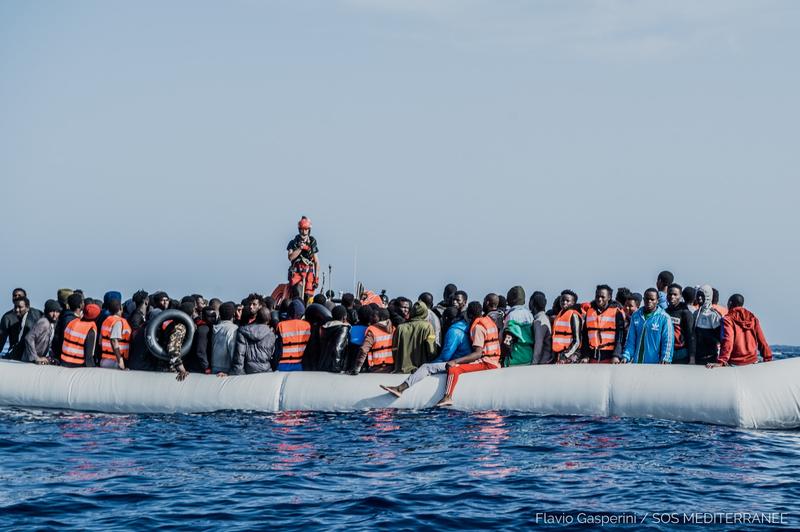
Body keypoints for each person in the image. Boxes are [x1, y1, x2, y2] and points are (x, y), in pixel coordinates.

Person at [380, 307, 472, 397]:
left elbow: (445, 356)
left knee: (426, 367)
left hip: (456, 363)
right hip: (463, 362)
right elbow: (432, 348)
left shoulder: (454, 331)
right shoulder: (462, 328)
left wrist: (431, 364)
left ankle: (400, 389)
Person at [435, 302, 501, 407]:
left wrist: (455, 361)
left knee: (454, 369)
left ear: (469, 315)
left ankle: (447, 397)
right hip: (495, 361)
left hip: (486, 363)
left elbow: (478, 354)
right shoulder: (490, 322)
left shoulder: (478, 327)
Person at [708, 294, 772, 367]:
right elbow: (762, 340)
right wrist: (768, 358)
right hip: (753, 362)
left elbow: (728, 340)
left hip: (735, 363)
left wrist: (722, 361)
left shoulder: (727, 319)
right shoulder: (753, 318)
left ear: (730, 303)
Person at [622, 289, 673, 364]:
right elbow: (630, 339)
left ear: (657, 301)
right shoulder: (636, 316)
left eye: (652, 299)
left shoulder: (664, 318)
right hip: (637, 362)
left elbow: (668, 340)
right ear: (643, 299)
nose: (649, 301)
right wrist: (626, 356)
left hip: (656, 363)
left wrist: (666, 357)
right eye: (647, 299)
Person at [580, 285, 625, 364]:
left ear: (609, 297)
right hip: (592, 357)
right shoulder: (590, 312)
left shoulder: (617, 312)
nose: (599, 299)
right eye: (597, 296)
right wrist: (585, 355)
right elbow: (585, 337)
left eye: (602, 297)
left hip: (610, 358)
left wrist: (616, 355)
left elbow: (620, 337)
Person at [393, 301, 436, 374]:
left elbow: (394, 350)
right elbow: (431, 350)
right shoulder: (428, 327)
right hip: (420, 371)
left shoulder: (400, 328)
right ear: (425, 312)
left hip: (400, 371)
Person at [232, 307, 276, 374]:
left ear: (256, 318)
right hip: (266, 370)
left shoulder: (243, 331)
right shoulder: (271, 334)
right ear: (269, 319)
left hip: (248, 371)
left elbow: (239, 354)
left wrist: (239, 373)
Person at [0, 289, 42, 359]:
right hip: (15, 353)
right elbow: (1, 339)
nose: (17, 297)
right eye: (14, 295)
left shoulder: (36, 314)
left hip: (33, 352)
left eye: (19, 295)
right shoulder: (7, 317)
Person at [351, 307, 394, 374]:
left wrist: (357, 368)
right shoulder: (394, 330)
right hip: (391, 369)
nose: (371, 318)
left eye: (374, 316)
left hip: (375, 369)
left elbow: (364, 350)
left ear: (381, 318)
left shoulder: (372, 330)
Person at [287, 216, 320, 301]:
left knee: (308, 297)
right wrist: (300, 248)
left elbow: (316, 262)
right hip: (297, 274)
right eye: (302, 229)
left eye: (306, 229)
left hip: (309, 274)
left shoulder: (312, 242)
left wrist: (316, 278)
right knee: (298, 294)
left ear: (309, 230)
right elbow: (290, 257)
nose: (304, 232)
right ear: (299, 229)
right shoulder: (293, 242)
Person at [61, 303, 101, 368]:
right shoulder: (90, 330)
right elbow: (89, 357)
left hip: (64, 362)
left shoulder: (72, 322)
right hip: (77, 365)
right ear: (97, 317)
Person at [275, 299, 311, 371]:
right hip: (301, 364)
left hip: (283, 364)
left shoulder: (281, 325)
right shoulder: (308, 326)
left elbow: (277, 347)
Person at [22, 300, 61, 364]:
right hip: (30, 361)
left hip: (39, 359)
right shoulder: (44, 322)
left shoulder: (52, 323)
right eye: (52, 311)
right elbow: (29, 338)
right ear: (46, 311)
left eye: (57, 312)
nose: (55, 314)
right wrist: (35, 357)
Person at [665, 283, 695, 364]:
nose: (672, 297)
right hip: (666, 354)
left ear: (680, 296)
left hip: (681, 354)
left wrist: (692, 358)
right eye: (670, 294)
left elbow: (691, 336)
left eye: (675, 294)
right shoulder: (664, 312)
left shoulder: (685, 313)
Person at [693, 284, 723, 366]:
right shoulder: (696, 313)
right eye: (698, 295)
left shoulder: (714, 315)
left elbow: (721, 338)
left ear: (708, 297)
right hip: (697, 356)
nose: (699, 298)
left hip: (711, 356)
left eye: (702, 296)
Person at [99, 299, 132, 370]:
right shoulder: (118, 322)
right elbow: (114, 340)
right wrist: (120, 360)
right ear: (120, 308)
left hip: (105, 359)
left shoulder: (106, 321)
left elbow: (100, 342)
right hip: (115, 361)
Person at [317, 305, 351, 373]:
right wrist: (337, 368)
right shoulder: (343, 328)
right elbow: (338, 348)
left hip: (322, 364)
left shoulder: (325, 327)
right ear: (344, 317)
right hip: (333, 368)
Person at [552, 290, 582, 363]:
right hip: (559, 354)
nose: (564, 302)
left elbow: (577, 341)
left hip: (570, 355)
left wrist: (566, 355)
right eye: (562, 300)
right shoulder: (559, 315)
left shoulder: (574, 315)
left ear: (573, 302)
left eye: (567, 301)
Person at [184, 306, 215, 374]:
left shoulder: (211, 328)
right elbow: (200, 351)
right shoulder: (203, 330)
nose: (212, 319)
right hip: (199, 368)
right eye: (209, 316)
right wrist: (206, 367)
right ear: (203, 316)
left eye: (214, 316)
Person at [211, 302, 239, 376]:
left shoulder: (214, 328)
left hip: (214, 366)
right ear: (233, 314)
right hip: (226, 369)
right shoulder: (233, 329)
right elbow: (232, 349)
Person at [529, 291, 553, 364]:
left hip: (542, 362)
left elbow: (538, 345)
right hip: (546, 360)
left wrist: (534, 363)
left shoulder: (539, 321)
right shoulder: (545, 318)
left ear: (532, 304)